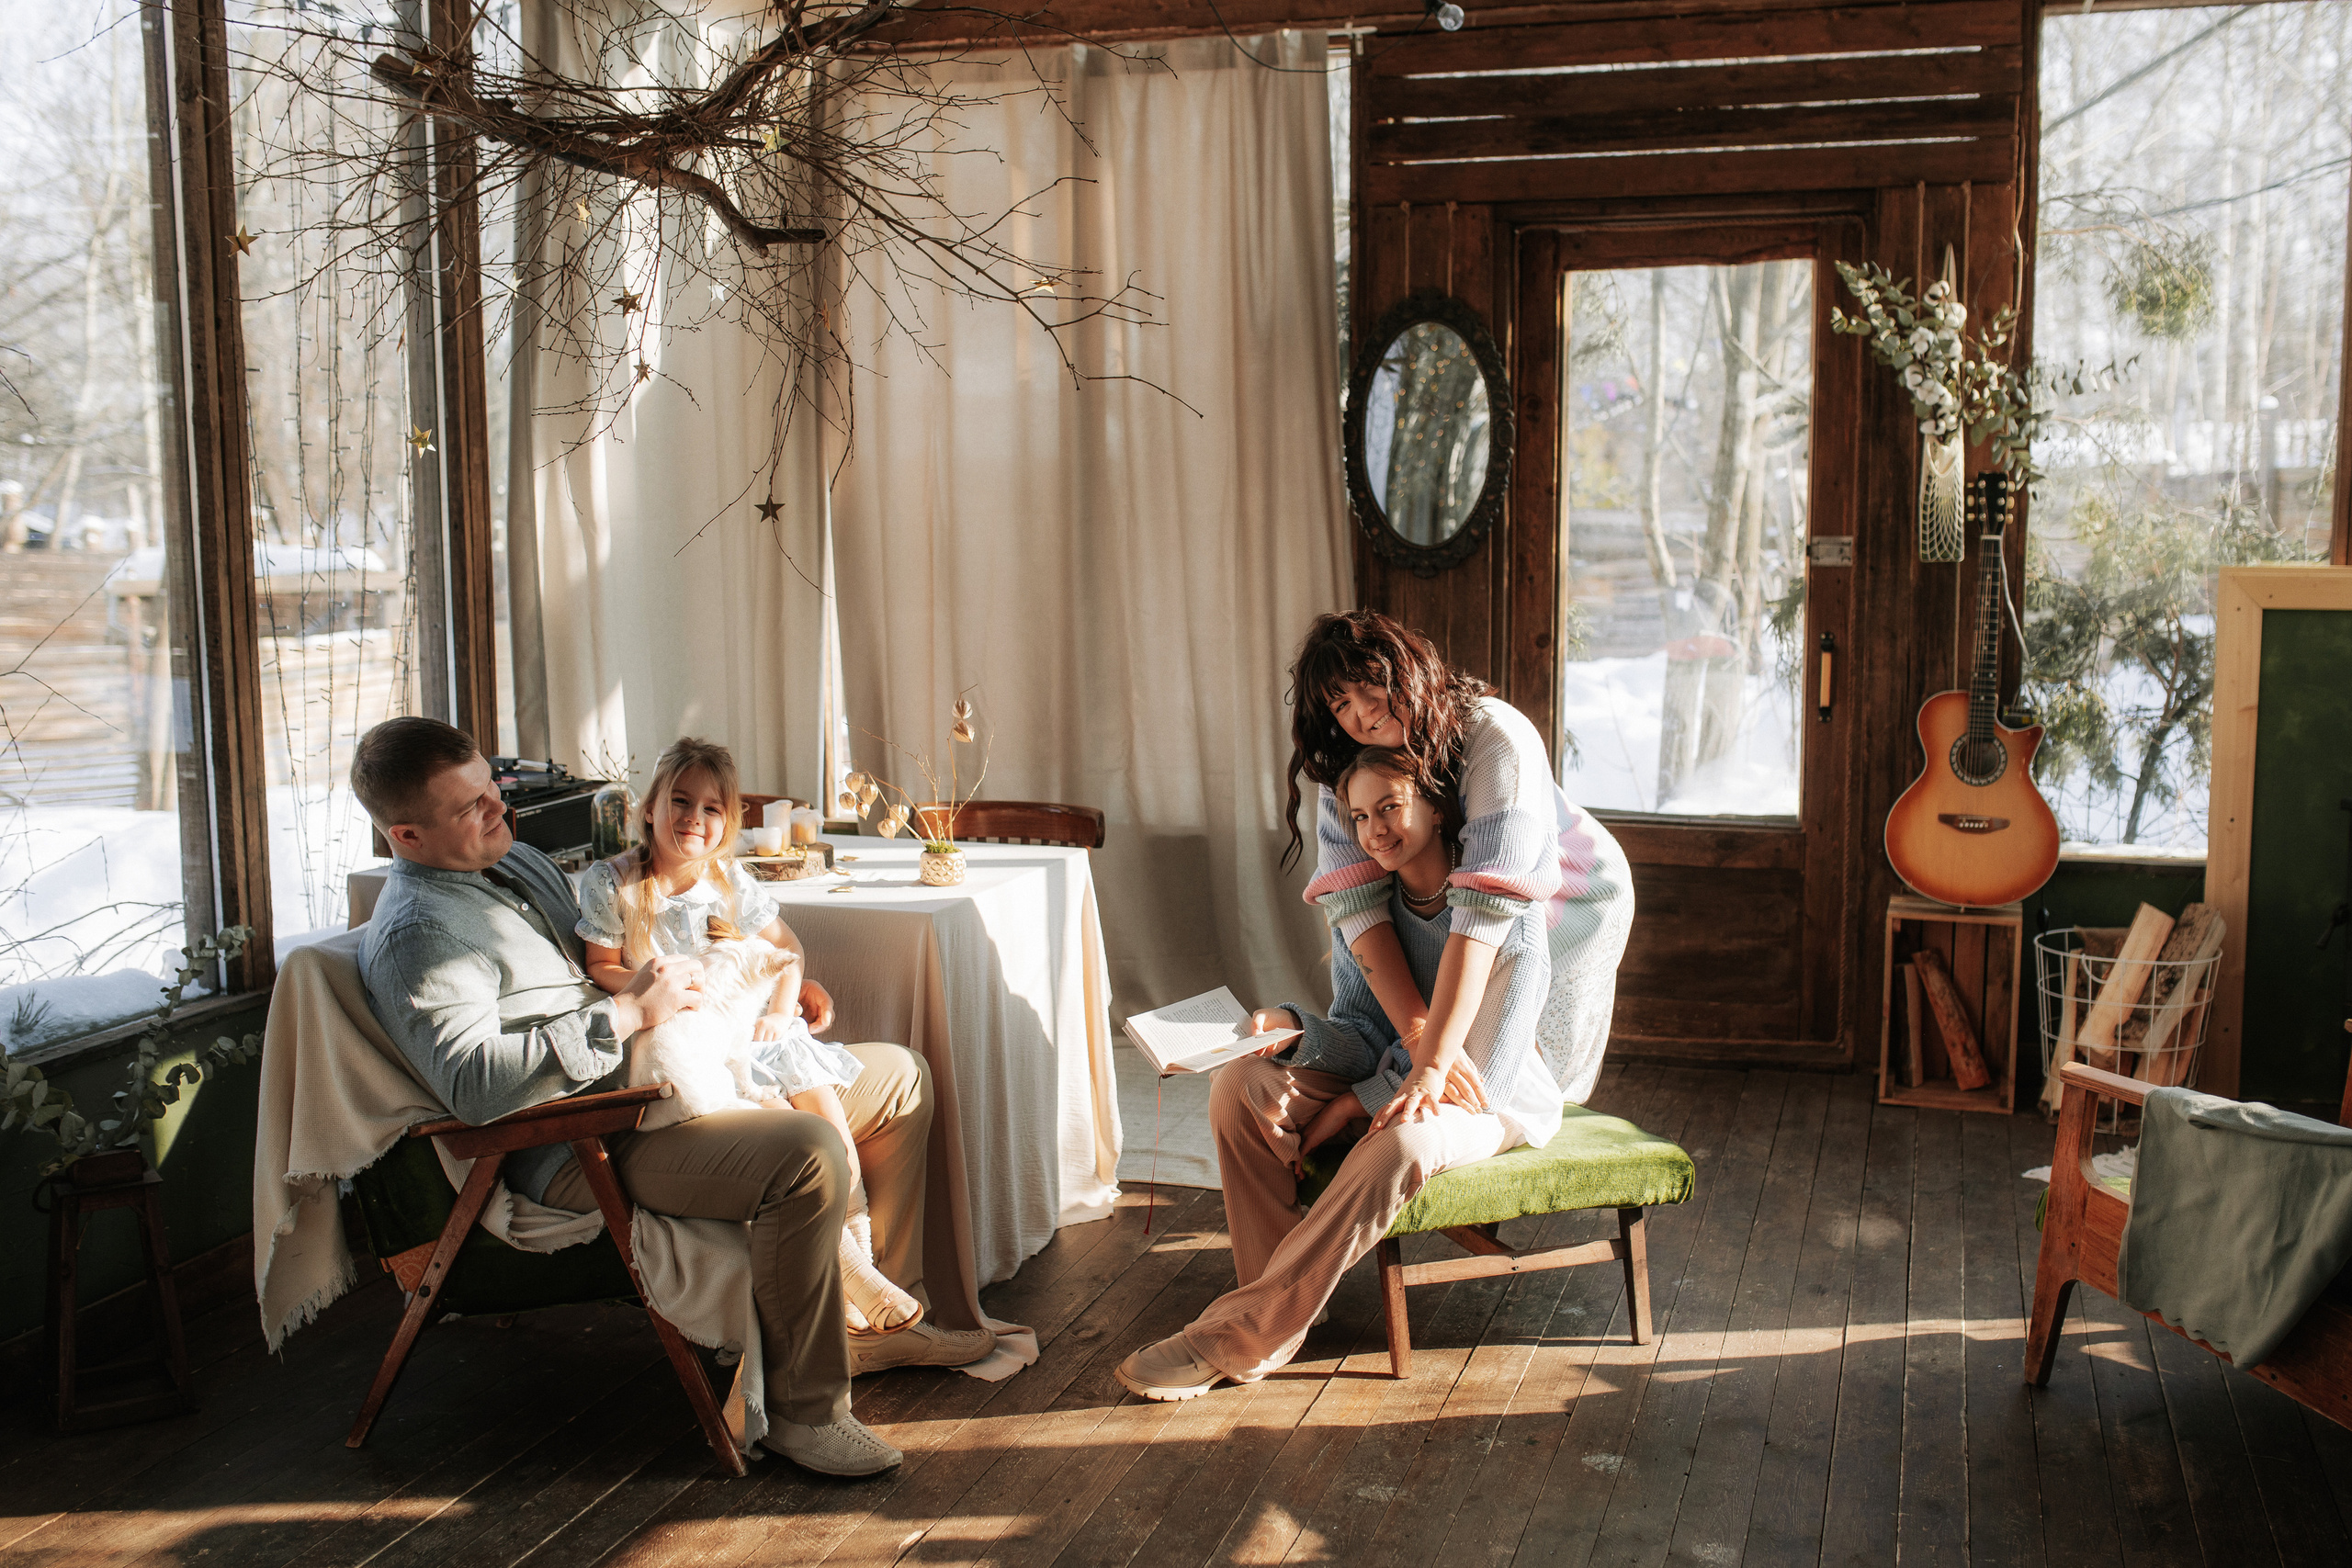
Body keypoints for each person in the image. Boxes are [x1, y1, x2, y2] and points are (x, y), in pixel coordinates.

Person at [351, 717, 991, 1478]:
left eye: (494, 788)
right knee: (809, 1150)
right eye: (471, 807)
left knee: (896, 1076)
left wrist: (752, 989)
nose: (501, 811)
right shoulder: (421, 933)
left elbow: (621, 951)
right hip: (588, 1137)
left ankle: (873, 1324)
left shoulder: (512, 861)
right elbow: (476, 1084)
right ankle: (803, 1409)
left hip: (667, 1078)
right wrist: (629, 1013)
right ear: (407, 836)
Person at [1114, 748, 1557, 1398]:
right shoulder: (1369, 910)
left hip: (1492, 1101)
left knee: (1398, 1141)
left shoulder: (1506, 919)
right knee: (1239, 1085)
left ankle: (1245, 1332)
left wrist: (1357, 1103)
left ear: (1435, 806)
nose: (1374, 829)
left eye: (1390, 807)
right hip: (1411, 1077)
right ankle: (1272, 1310)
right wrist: (1291, 1031)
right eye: (1358, 816)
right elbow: (1364, 1032)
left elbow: (1479, 1074)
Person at [575, 737, 922, 1335]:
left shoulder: (728, 881)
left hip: (746, 1027)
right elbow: (600, 962)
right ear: (650, 808)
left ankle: (860, 1256)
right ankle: (846, 1278)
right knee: (783, 1123)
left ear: (729, 822)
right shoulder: (618, 883)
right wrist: (647, 985)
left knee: (830, 1128)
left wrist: (780, 1010)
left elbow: (788, 952)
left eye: (712, 809)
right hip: (683, 1035)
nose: (694, 818)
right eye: (680, 801)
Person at [1283, 609, 1633, 1112]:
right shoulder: (1346, 760)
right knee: (1442, 1046)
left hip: (1576, 886)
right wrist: (1419, 1038)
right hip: (1478, 891)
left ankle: (1511, 1138)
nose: (1363, 710)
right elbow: (1355, 901)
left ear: (1405, 667)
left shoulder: (1495, 736)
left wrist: (1431, 1063)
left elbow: (1484, 911)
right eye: (1341, 703)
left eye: (1370, 683)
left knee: (1514, 1061)